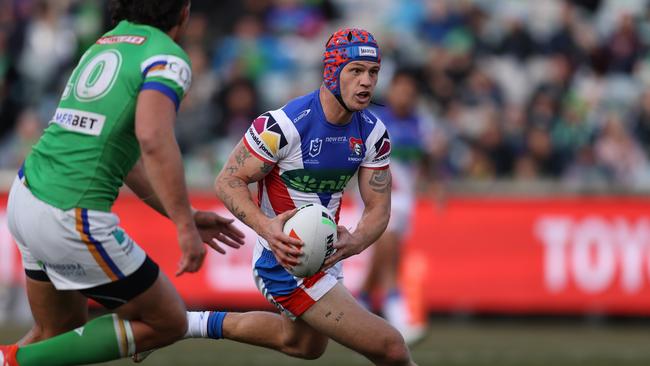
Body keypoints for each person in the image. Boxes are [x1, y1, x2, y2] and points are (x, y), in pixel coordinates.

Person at [140, 28, 417, 366]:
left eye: (373, 72)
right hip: (284, 261)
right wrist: (266, 227)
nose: (366, 82)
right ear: (332, 72)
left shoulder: (373, 132)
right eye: (355, 70)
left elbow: (378, 210)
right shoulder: (284, 125)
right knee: (391, 347)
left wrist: (357, 241)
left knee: (303, 345)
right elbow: (228, 180)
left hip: (324, 256)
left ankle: (181, 325)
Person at [0, 1, 245, 365]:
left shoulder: (105, 42)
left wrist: (186, 214)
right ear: (184, 13)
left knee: (58, 337)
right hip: (70, 211)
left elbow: (127, 160)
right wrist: (182, 226)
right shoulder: (167, 57)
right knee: (167, 320)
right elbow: (153, 139)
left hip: (27, 196)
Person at [358, 69, 430, 344]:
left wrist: (434, 184)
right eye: (401, 89)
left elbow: (426, 160)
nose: (405, 95)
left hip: (405, 198)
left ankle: (362, 300)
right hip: (378, 195)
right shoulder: (376, 120)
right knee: (388, 244)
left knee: (388, 250)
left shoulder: (421, 124)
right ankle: (394, 304)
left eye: (410, 91)